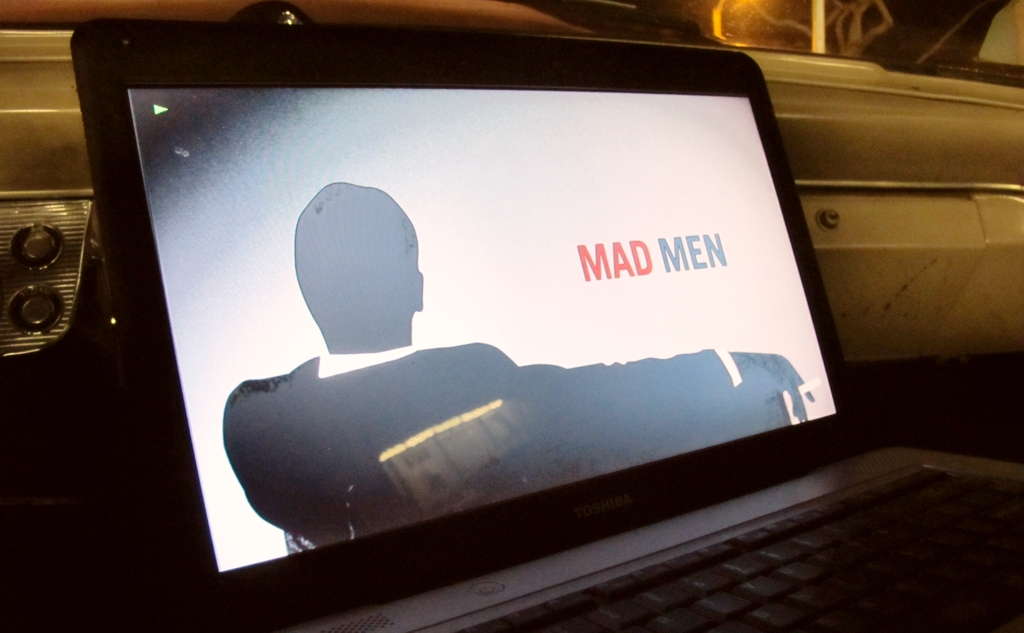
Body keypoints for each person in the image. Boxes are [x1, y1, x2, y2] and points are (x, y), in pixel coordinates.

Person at [224, 183, 809, 549]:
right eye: (409, 258)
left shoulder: (257, 418)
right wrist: (742, 374)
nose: (419, 276)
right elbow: (591, 401)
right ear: (412, 286)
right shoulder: (467, 377)